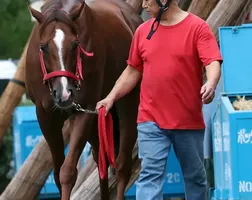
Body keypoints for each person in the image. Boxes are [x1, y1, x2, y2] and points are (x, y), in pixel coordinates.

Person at [95, 0, 223, 199]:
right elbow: (132, 70)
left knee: (195, 177)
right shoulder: (142, 31)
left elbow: (212, 61)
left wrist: (211, 83)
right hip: (150, 120)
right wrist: (110, 97)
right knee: (149, 176)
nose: (144, 4)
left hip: (187, 120)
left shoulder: (197, 27)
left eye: (147, 0)